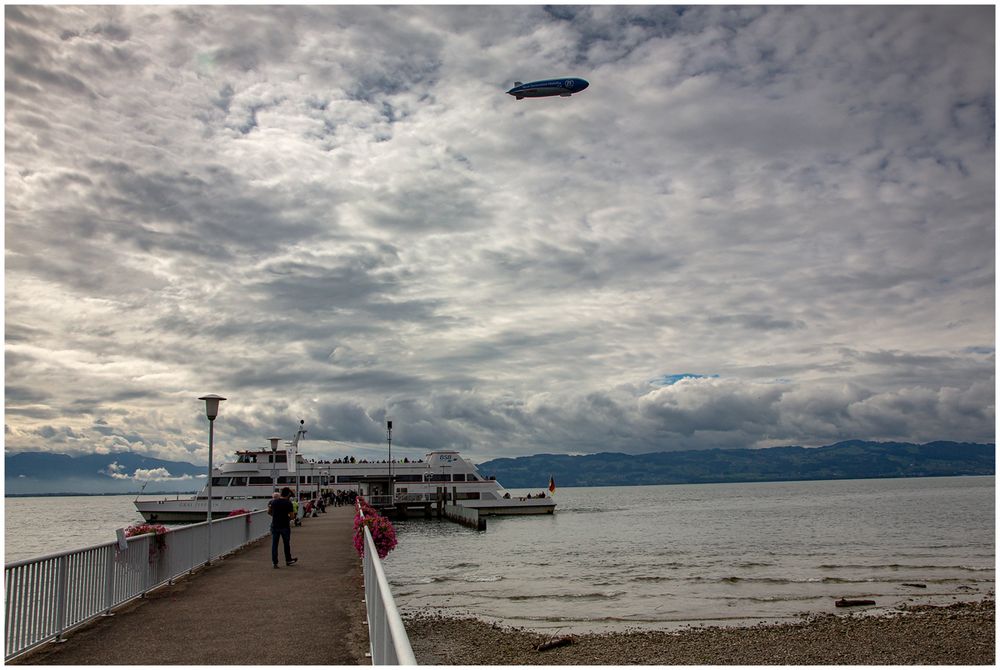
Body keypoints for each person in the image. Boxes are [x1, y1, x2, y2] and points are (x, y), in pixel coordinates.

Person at [268, 487, 298, 568]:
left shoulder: (274, 502)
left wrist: (275, 516)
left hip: (275, 525)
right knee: (286, 544)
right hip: (284, 526)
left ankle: (275, 562)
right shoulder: (288, 503)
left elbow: (269, 512)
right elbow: (292, 516)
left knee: (275, 544)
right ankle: (288, 560)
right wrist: (287, 518)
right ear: (288, 494)